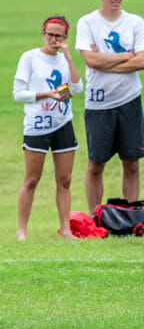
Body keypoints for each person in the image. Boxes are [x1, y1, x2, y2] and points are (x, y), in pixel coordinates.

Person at [75, 0, 144, 213]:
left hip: (129, 100)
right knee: (96, 164)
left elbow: (143, 62)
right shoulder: (87, 23)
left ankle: (129, 215)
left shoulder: (135, 22)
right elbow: (91, 61)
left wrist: (105, 60)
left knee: (132, 163)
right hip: (98, 104)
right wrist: (126, 55)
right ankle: (95, 217)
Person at [14, 15, 83, 239]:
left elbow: (78, 87)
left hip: (62, 123)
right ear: (43, 33)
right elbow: (18, 94)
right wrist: (47, 94)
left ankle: (65, 229)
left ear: (65, 37)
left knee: (65, 180)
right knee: (31, 180)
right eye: (49, 34)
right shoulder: (30, 58)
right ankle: (21, 230)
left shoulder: (64, 59)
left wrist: (69, 56)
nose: (53, 39)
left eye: (58, 36)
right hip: (37, 124)